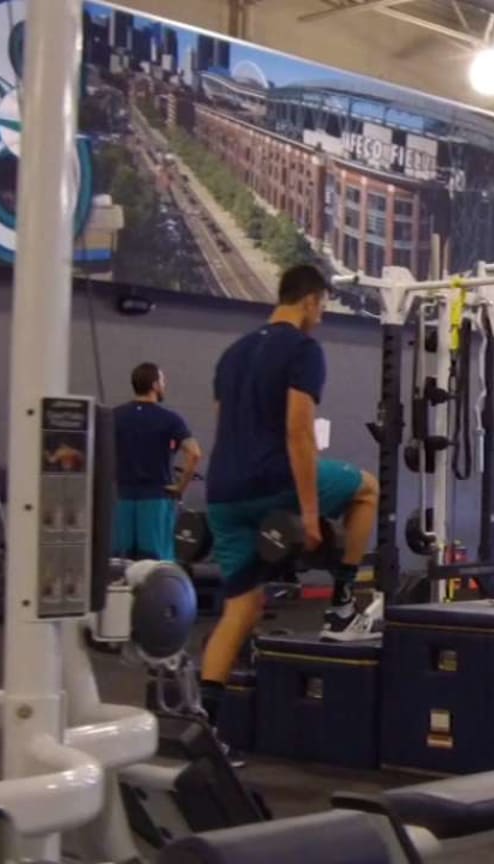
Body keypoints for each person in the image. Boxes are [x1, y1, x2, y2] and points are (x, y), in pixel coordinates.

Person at [199, 265, 380, 725]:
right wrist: (310, 512)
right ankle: (341, 603)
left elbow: (225, 426)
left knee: (240, 608)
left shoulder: (231, 354)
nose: (321, 314)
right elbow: (297, 429)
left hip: (223, 491)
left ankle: (204, 727)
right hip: (273, 480)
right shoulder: (303, 349)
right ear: (311, 300)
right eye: (323, 305)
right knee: (366, 490)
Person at [112, 362, 201, 562]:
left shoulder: (114, 416)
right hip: (156, 499)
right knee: (155, 564)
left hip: (121, 498)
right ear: (154, 385)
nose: (164, 385)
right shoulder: (170, 419)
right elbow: (195, 453)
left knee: (119, 563)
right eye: (162, 381)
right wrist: (180, 487)